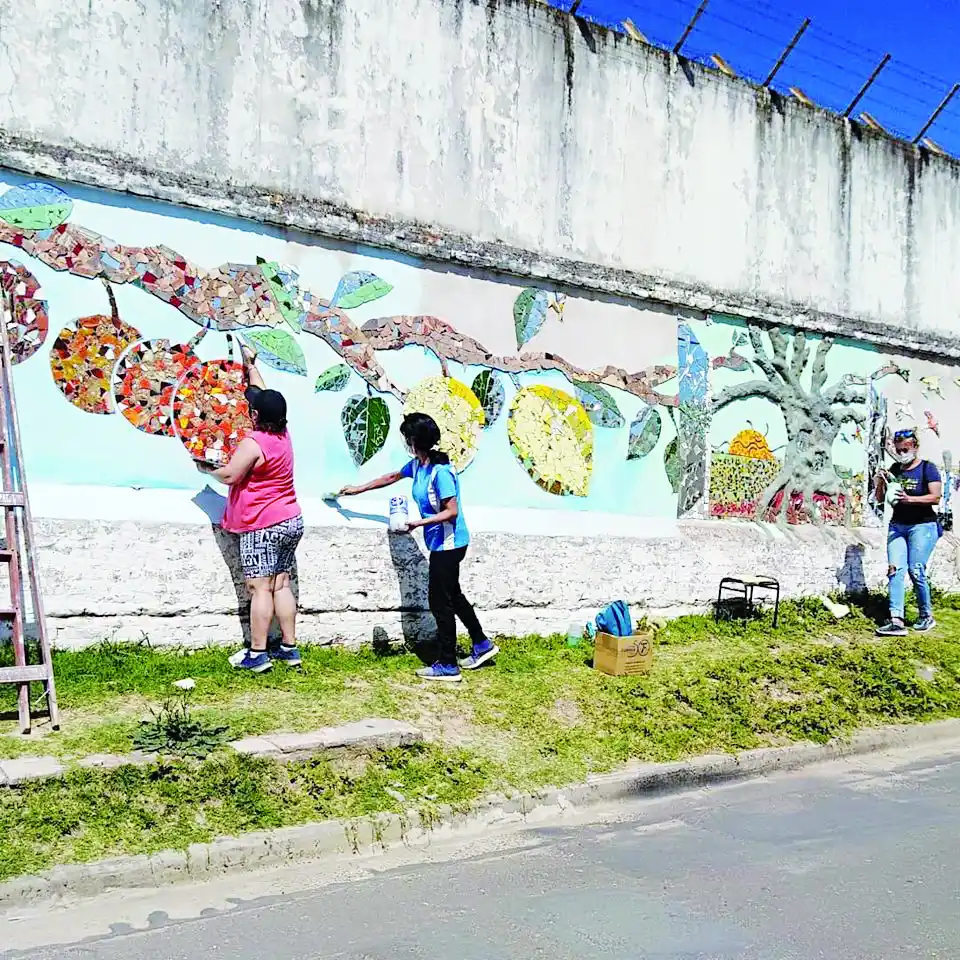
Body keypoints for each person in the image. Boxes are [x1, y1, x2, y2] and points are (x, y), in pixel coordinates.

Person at [337, 412, 498, 682]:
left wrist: (418, 523)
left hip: (450, 544)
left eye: (405, 438)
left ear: (414, 440)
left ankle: (448, 664)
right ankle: (482, 644)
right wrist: (359, 489)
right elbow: (392, 476)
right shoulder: (419, 465)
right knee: (454, 595)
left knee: (440, 602)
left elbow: (452, 512)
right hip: (439, 542)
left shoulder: (440, 472)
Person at [197, 345, 303, 672]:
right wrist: (251, 364)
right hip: (290, 519)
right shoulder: (282, 434)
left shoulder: (254, 443)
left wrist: (204, 468)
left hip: (262, 525)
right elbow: (261, 393)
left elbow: (230, 475)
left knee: (259, 588)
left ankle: (257, 654)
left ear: (256, 416)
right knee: (281, 584)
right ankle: (289, 648)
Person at [874, 427, 942, 637]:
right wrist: (880, 482)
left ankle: (926, 615)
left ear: (915, 447)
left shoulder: (927, 469)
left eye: (905, 449)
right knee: (895, 569)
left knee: (916, 569)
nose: (902, 453)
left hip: (923, 526)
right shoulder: (895, 469)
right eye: (899, 450)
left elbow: (936, 497)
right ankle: (896, 620)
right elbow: (879, 499)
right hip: (898, 525)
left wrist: (910, 499)